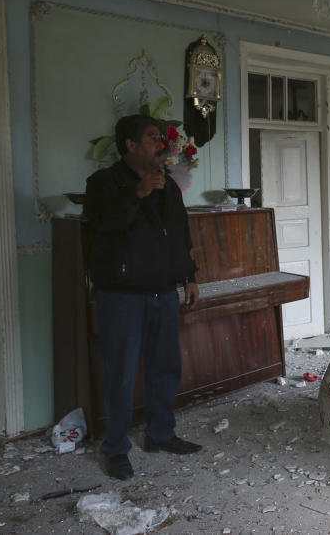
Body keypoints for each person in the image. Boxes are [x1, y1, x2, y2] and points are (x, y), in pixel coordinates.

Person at [84, 114, 203, 480]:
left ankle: (160, 434)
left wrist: (189, 277)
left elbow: (179, 234)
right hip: (122, 297)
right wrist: (137, 194)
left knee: (165, 368)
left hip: (163, 292)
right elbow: (103, 231)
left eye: (159, 138)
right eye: (152, 138)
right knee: (120, 374)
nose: (161, 144)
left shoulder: (167, 185)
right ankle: (116, 448)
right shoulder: (103, 184)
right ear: (130, 146)